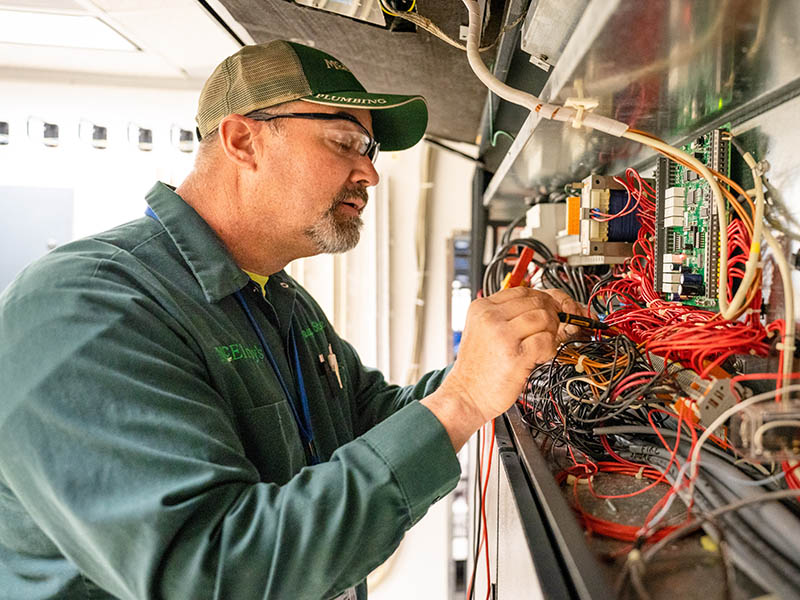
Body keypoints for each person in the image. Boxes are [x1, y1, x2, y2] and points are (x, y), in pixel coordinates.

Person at [0, 40, 581, 599]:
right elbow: (212, 576)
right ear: (243, 140)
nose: (370, 174)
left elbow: (369, 421)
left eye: (369, 151)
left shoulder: (277, 297)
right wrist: (462, 402)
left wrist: (503, 359)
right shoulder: (89, 306)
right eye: (344, 142)